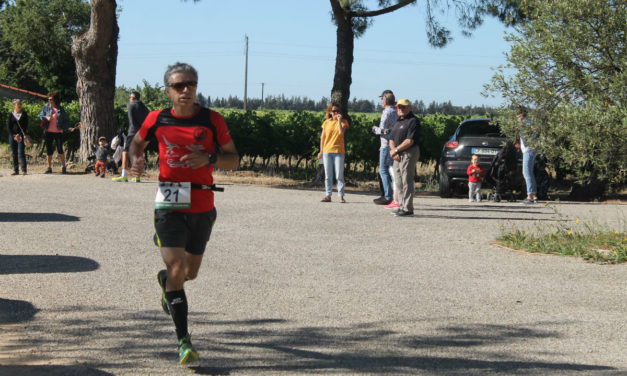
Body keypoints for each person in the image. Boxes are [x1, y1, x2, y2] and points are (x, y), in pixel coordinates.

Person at [129, 62, 239, 365]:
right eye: (179, 86)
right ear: (168, 90)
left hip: (202, 201)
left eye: (191, 84)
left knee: (189, 273)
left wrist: (211, 157)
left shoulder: (212, 120)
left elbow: (234, 159)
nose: (186, 90)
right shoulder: (157, 118)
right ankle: (184, 341)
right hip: (170, 195)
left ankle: (166, 281)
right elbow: (136, 143)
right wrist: (135, 161)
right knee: (179, 268)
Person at [389, 98, 421, 217]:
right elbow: (391, 138)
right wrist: (393, 151)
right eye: (399, 107)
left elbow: (410, 140)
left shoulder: (413, 121)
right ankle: (401, 205)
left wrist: (396, 150)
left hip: (409, 152)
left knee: (406, 179)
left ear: (409, 108)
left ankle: (408, 207)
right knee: (398, 181)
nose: (401, 109)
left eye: (403, 107)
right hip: (397, 154)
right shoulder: (397, 121)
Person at [113, 91, 149, 182]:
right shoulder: (144, 108)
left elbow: (131, 120)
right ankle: (137, 176)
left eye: (130, 97)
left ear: (132, 98)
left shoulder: (130, 106)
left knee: (125, 152)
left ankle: (124, 175)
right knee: (139, 153)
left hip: (132, 132)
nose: (129, 99)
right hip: (142, 133)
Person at [317, 102, 349, 203]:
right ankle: (328, 195)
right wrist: (321, 151)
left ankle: (341, 195)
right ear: (330, 112)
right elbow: (323, 137)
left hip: (339, 151)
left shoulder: (344, 122)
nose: (336, 113)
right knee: (328, 175)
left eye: (338, 111)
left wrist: (339, 120)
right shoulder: (326, 122)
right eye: (334, 111)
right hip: (327, 151)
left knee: (339, 175)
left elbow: (341, 133)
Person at [371, 90, 398, 205]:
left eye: (382, 99)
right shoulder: (396, 112)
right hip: (393, 144)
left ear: (386, 100)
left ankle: (388, 196)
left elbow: (383, 130)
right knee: (391, 170)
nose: (381, 101)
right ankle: (395, 195)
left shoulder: (386, 112)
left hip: (385, 145)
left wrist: (374, 129)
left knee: (383, 170)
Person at [39, 92, 73, 174]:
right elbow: (40, 115)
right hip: (48, 131)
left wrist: (69, 128)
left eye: (51, 99)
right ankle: (49, 167)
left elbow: (66, 121)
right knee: (49, 150)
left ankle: (64, 167)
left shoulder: (61, 109)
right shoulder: (46, 108)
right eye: (48, 99)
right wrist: (46, 117)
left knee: (60, 149)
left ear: (55, 100)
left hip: (58, 132)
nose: (49, 100)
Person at [517, 106, 537, 204]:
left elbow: (528, 138)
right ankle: (534, 194)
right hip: (531, 149)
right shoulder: (530, 123)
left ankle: (530, 196)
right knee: (530, 172)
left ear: (521, 115)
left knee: (526, 172)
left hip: (528, 150)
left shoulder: (525, 124)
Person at [7, 99, 28, 175]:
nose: (19, 105)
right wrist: (14, 135)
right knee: (14, 153)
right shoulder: (11, 115)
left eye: (20, 104)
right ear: (14, 105)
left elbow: (25, 126)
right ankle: (16, 170)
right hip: (12, 136)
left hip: (21, 136)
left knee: (21, 151)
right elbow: (9, 127)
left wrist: (19, 134)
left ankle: (24, 170)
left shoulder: (24, 114)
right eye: (17, 104)